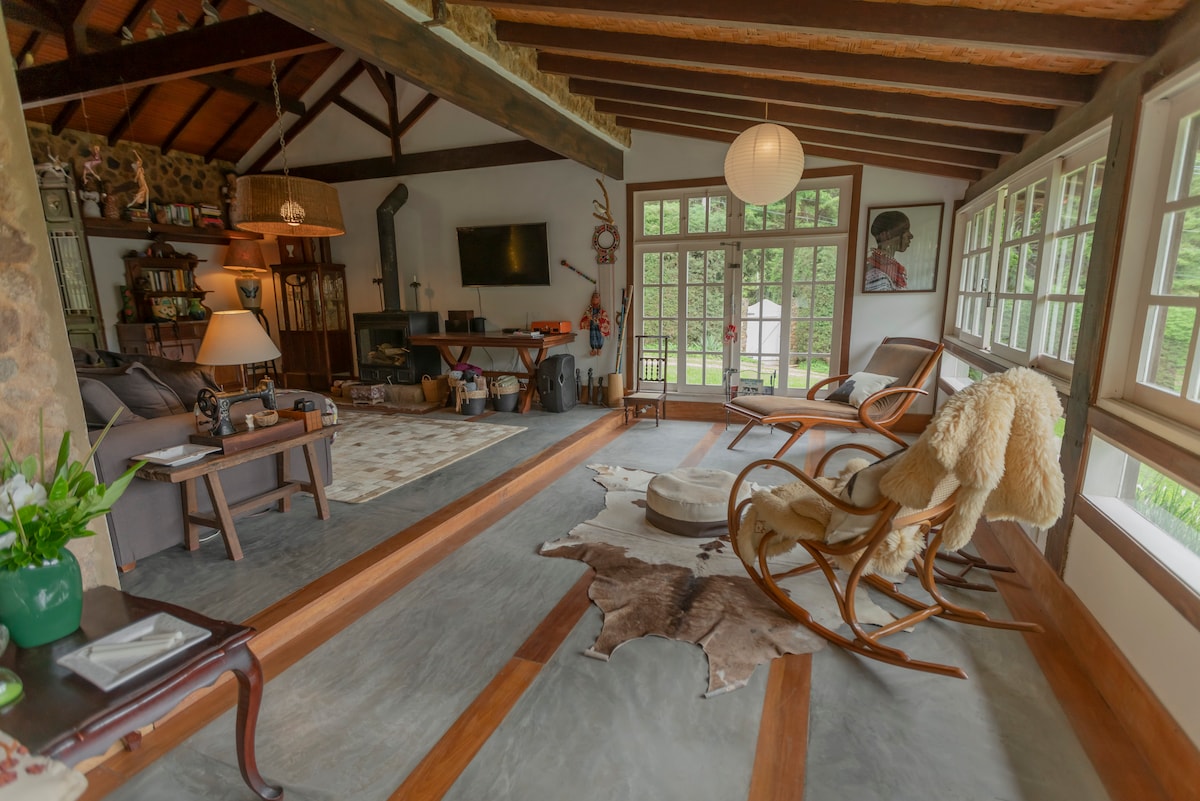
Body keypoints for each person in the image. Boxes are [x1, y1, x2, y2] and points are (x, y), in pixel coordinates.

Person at [864, 210, 912, 292]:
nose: (910, 236)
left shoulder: (893, 269)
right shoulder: (876, 273)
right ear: (885, 235)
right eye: (904, 230)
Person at [579, 290, 611, 356]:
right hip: (592, 324)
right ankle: (593, 349)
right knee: (592, 335)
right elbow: (586, 314)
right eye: (594, 298)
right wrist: (589, 317)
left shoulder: (601, 309)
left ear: (599, 300)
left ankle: (599, 349)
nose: (595, 299)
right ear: (591, 299)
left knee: (599, 336)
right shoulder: (590, 309)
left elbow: (604, 317)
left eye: (597, 298)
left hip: (599, 325)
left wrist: (600, 318)